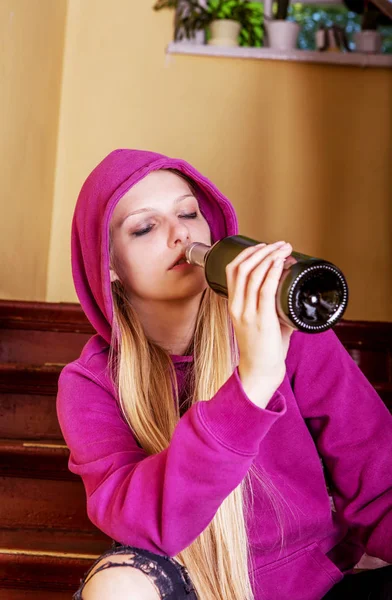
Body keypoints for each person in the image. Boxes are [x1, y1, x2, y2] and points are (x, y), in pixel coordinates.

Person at [57, 149, 392, 600]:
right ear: (109, 264)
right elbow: (143, 521)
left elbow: (379, 478)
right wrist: (252, 384)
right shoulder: (89, 383)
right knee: (116, 586)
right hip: (191, 577)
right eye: (145, 226)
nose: (181, 233)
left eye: (189, 212)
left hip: (316, 587)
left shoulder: (288, 330)